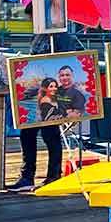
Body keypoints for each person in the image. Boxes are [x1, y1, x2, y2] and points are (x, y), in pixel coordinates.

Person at [8, 10, 84, 191]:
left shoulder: (60, 36)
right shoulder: (39, 36)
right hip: (38, 93)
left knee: (50, 134)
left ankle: (53, 175)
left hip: (52, 94)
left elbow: (67, 61)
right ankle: (27, 176)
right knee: (28, 133)